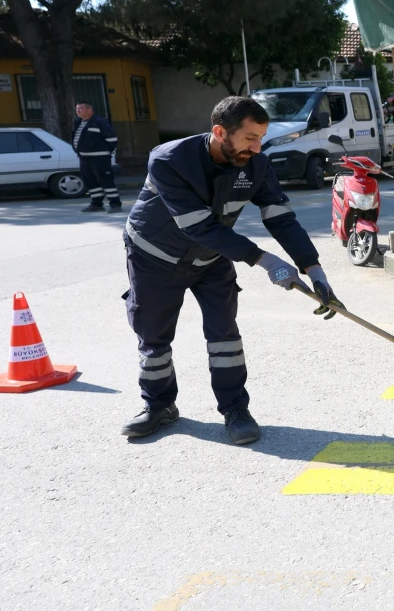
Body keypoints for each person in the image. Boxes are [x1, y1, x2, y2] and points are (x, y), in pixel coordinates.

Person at [120, 96, 341, 445]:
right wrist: (264, 260)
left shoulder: (256, 165)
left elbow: (281, 219)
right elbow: (197, 226)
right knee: (154, 338)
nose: (257, 147)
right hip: (154, 258)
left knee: (225, 337)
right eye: (250, 138)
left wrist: (314, 270)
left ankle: (235, 410)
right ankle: (159, 405)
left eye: (261, 137)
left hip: (211, 259)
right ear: (220, 131)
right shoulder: (169, 160)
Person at [73, 102, 122, 212]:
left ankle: (115, 204)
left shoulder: (99, 122)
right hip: (84, 158)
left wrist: (103, 151)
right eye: (77, 109)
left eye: (81, 108)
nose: (78, 111)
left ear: (90, 110)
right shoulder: (78, 122)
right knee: (91, 182)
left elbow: (112, 140)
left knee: (106, 181)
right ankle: (96, 204)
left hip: (100, 158)